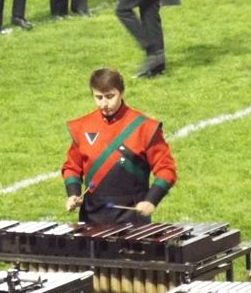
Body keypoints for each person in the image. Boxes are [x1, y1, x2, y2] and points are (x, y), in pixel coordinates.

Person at [62, 67, 177, 224]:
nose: (104, 104)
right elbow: (72, 167)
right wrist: (73, 194)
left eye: (110, 96)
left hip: (131, 218)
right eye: (99, 97)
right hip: (91, 216)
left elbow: (166, 169)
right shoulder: (83, 126)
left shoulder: (145, 128)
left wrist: (151, 200)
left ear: (122, 93)